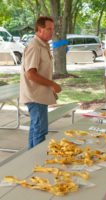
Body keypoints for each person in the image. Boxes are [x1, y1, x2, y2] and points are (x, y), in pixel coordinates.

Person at [20, 16, 61, 149]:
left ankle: (30, 158)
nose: (52, 32)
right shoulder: (34, 46)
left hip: (39, 96)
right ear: (39, 29)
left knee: (36, 129)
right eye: (49, 29)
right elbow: (31, 74)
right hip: (35, 96)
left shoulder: (42, 44)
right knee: (40, 131)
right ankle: (37, 162)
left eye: (53, 29)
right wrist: (52, 84)